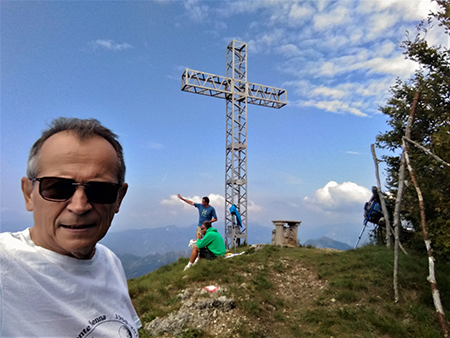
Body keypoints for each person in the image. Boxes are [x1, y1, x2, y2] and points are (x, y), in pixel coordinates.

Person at [0, 117, 141, 337]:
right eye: (57, 188)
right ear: (29, 194)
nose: (79, 206)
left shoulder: (110, 261)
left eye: (100, 190)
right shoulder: (5, 264)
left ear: (119, 199)